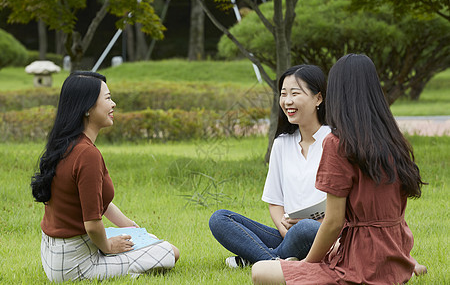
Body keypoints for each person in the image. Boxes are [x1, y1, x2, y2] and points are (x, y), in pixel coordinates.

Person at [252, 54, 427, 284]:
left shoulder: (337, 143)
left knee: (260, 271)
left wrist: (306, 265)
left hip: (359, 264)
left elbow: (333, 222)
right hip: (396, 258)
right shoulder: (394, 139)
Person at [31, 71, 180, 282]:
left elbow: (97, 200)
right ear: (87, 108)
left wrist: (130, 225)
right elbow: (92, 224)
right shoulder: (87, 155)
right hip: (77, 264)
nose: (114, 104)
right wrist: (108, 247)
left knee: (147, 239)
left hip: (54, 255)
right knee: (170, 252)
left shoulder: (64, 145)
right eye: (108, 98)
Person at [209, 65, 330, 267]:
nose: (287, 101)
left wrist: (311, 227)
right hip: (289, 235)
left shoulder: (335, 140)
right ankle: (277, 260)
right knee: (220, 218)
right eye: (283, 94)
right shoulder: (282, 143)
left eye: (295, 93)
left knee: (306, 228)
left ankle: (261, 259)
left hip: (325, 234)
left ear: (318, 98)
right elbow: (275, 202)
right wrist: (285, 232)